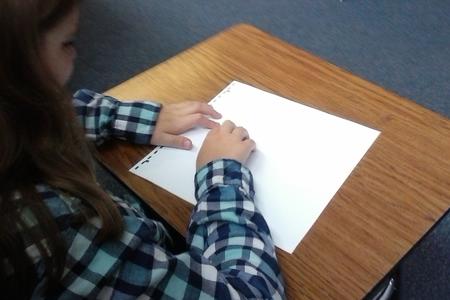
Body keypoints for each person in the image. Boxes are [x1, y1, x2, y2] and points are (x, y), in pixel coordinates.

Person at [0, 0, 285, 299]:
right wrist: (221, 177)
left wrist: (121, 117)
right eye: (67, 42)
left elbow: (38, 111)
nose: (76, 53)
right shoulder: (56, 229)